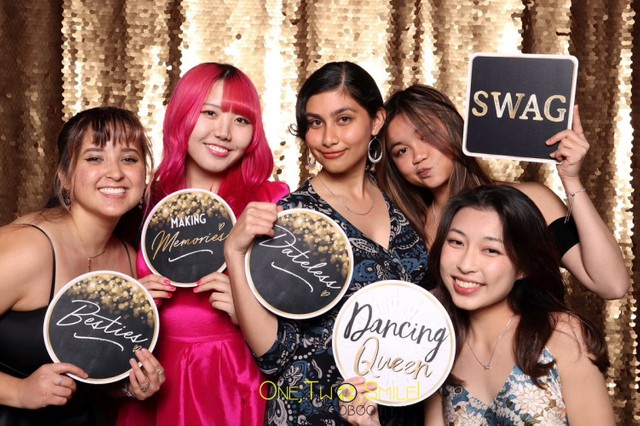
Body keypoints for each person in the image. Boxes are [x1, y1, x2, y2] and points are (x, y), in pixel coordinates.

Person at [224, 61, 430, 425]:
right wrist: (235, 252)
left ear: (376, 121)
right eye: (315, 123)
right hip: (314, 408)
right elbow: (272, 354)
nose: (328, 138)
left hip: (398, 410)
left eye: (344, 119)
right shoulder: (294, 217)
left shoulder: (403, 200)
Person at [344, 184, 615, 425]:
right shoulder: (436, 349)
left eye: (491, 250)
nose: (466, 264)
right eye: (456, 242)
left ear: (523, 266)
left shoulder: (561, 334)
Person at [117, 62, 289, 426]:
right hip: (157, 381)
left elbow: (308, 318)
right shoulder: (140, 204)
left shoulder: (272, 203)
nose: (223, 132)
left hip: (238, 382)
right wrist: (133, 305)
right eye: (209, 113)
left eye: (240, 120)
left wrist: (250, 308)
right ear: (181, 115)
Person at [378, 84, 629, 299]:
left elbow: (612, 285)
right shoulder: (408, 230)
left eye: (427, 136)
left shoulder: (529, 200)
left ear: (454, 127)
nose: (418, 156)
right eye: (401, 151)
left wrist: (571, 180)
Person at [0, 107, 165, 425]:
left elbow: (92, 372)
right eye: (95, 158)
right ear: (64, 175)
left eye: (129, 159)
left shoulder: (130, 261)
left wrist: (130, 386)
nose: (115, 173)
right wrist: (18, 391)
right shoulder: (29, 248)